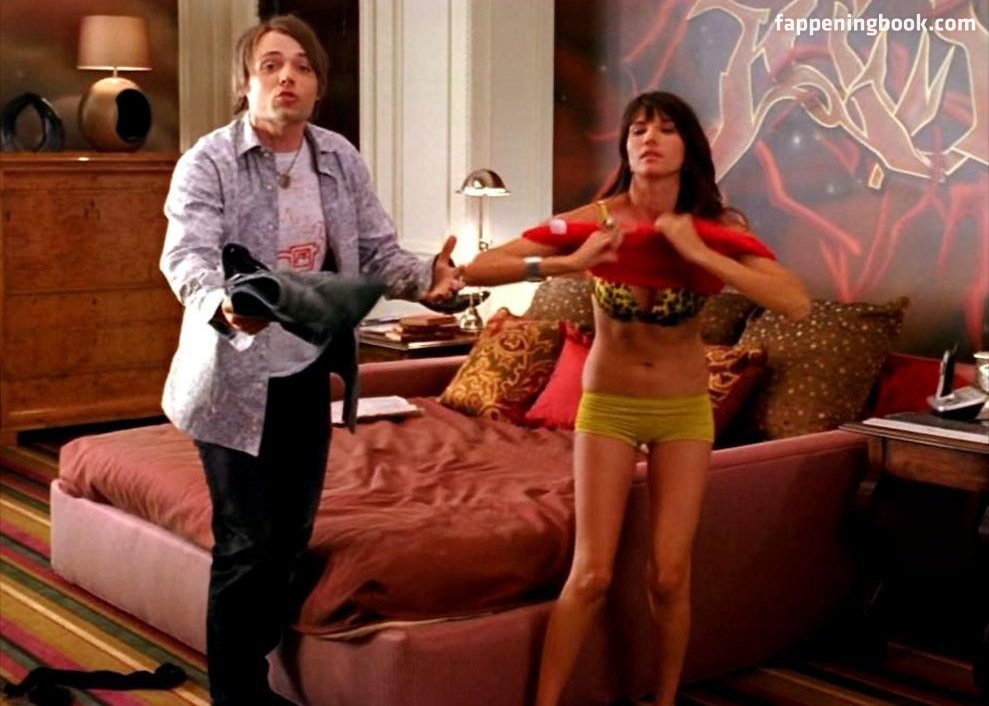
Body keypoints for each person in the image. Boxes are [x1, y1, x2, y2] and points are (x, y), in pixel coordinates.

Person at [461, 91, 810, 706]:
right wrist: (569, 262)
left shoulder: (718, 228)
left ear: (688, 149)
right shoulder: (598, 220)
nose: (650, 138)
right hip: (609, 407)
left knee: (670, 576)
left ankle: (664, 699)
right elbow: (480, 268)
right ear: (625, 147)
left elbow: (795, 302)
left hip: (682, 410)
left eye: (667, 129)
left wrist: (699, 252)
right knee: (591, 574)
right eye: (639, 129)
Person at [159, 15, 462, 706]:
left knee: (289, 537)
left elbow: (378, 252)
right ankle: (238, 695)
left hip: (303, 370)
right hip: (230, 377)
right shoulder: (208, 161)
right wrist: (223, 304)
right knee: (247, 541)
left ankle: (260, 673)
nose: (287, 77)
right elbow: (187, 257)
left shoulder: (339, 158)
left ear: (319, 85)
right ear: (245, 83)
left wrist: (430, 278)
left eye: (301, 65)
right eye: (270, 65)